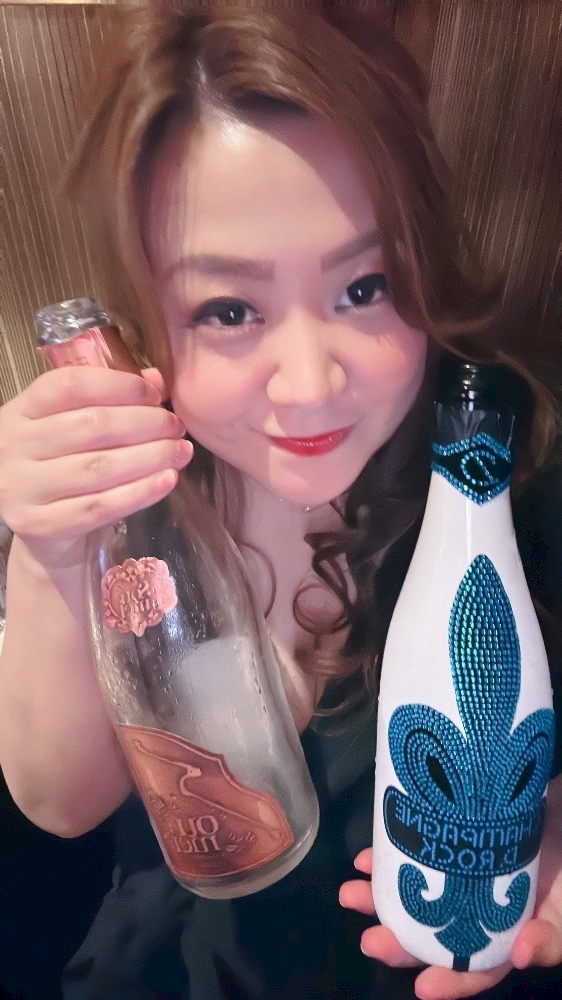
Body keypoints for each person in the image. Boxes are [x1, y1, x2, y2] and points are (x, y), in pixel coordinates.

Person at [0, 8, 560, 1000]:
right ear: (149, 319)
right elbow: (62, 806)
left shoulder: (504, 472)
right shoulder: (123, 501)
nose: (309, 384)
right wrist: (51, 550)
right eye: (229, 309)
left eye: (365, 287)